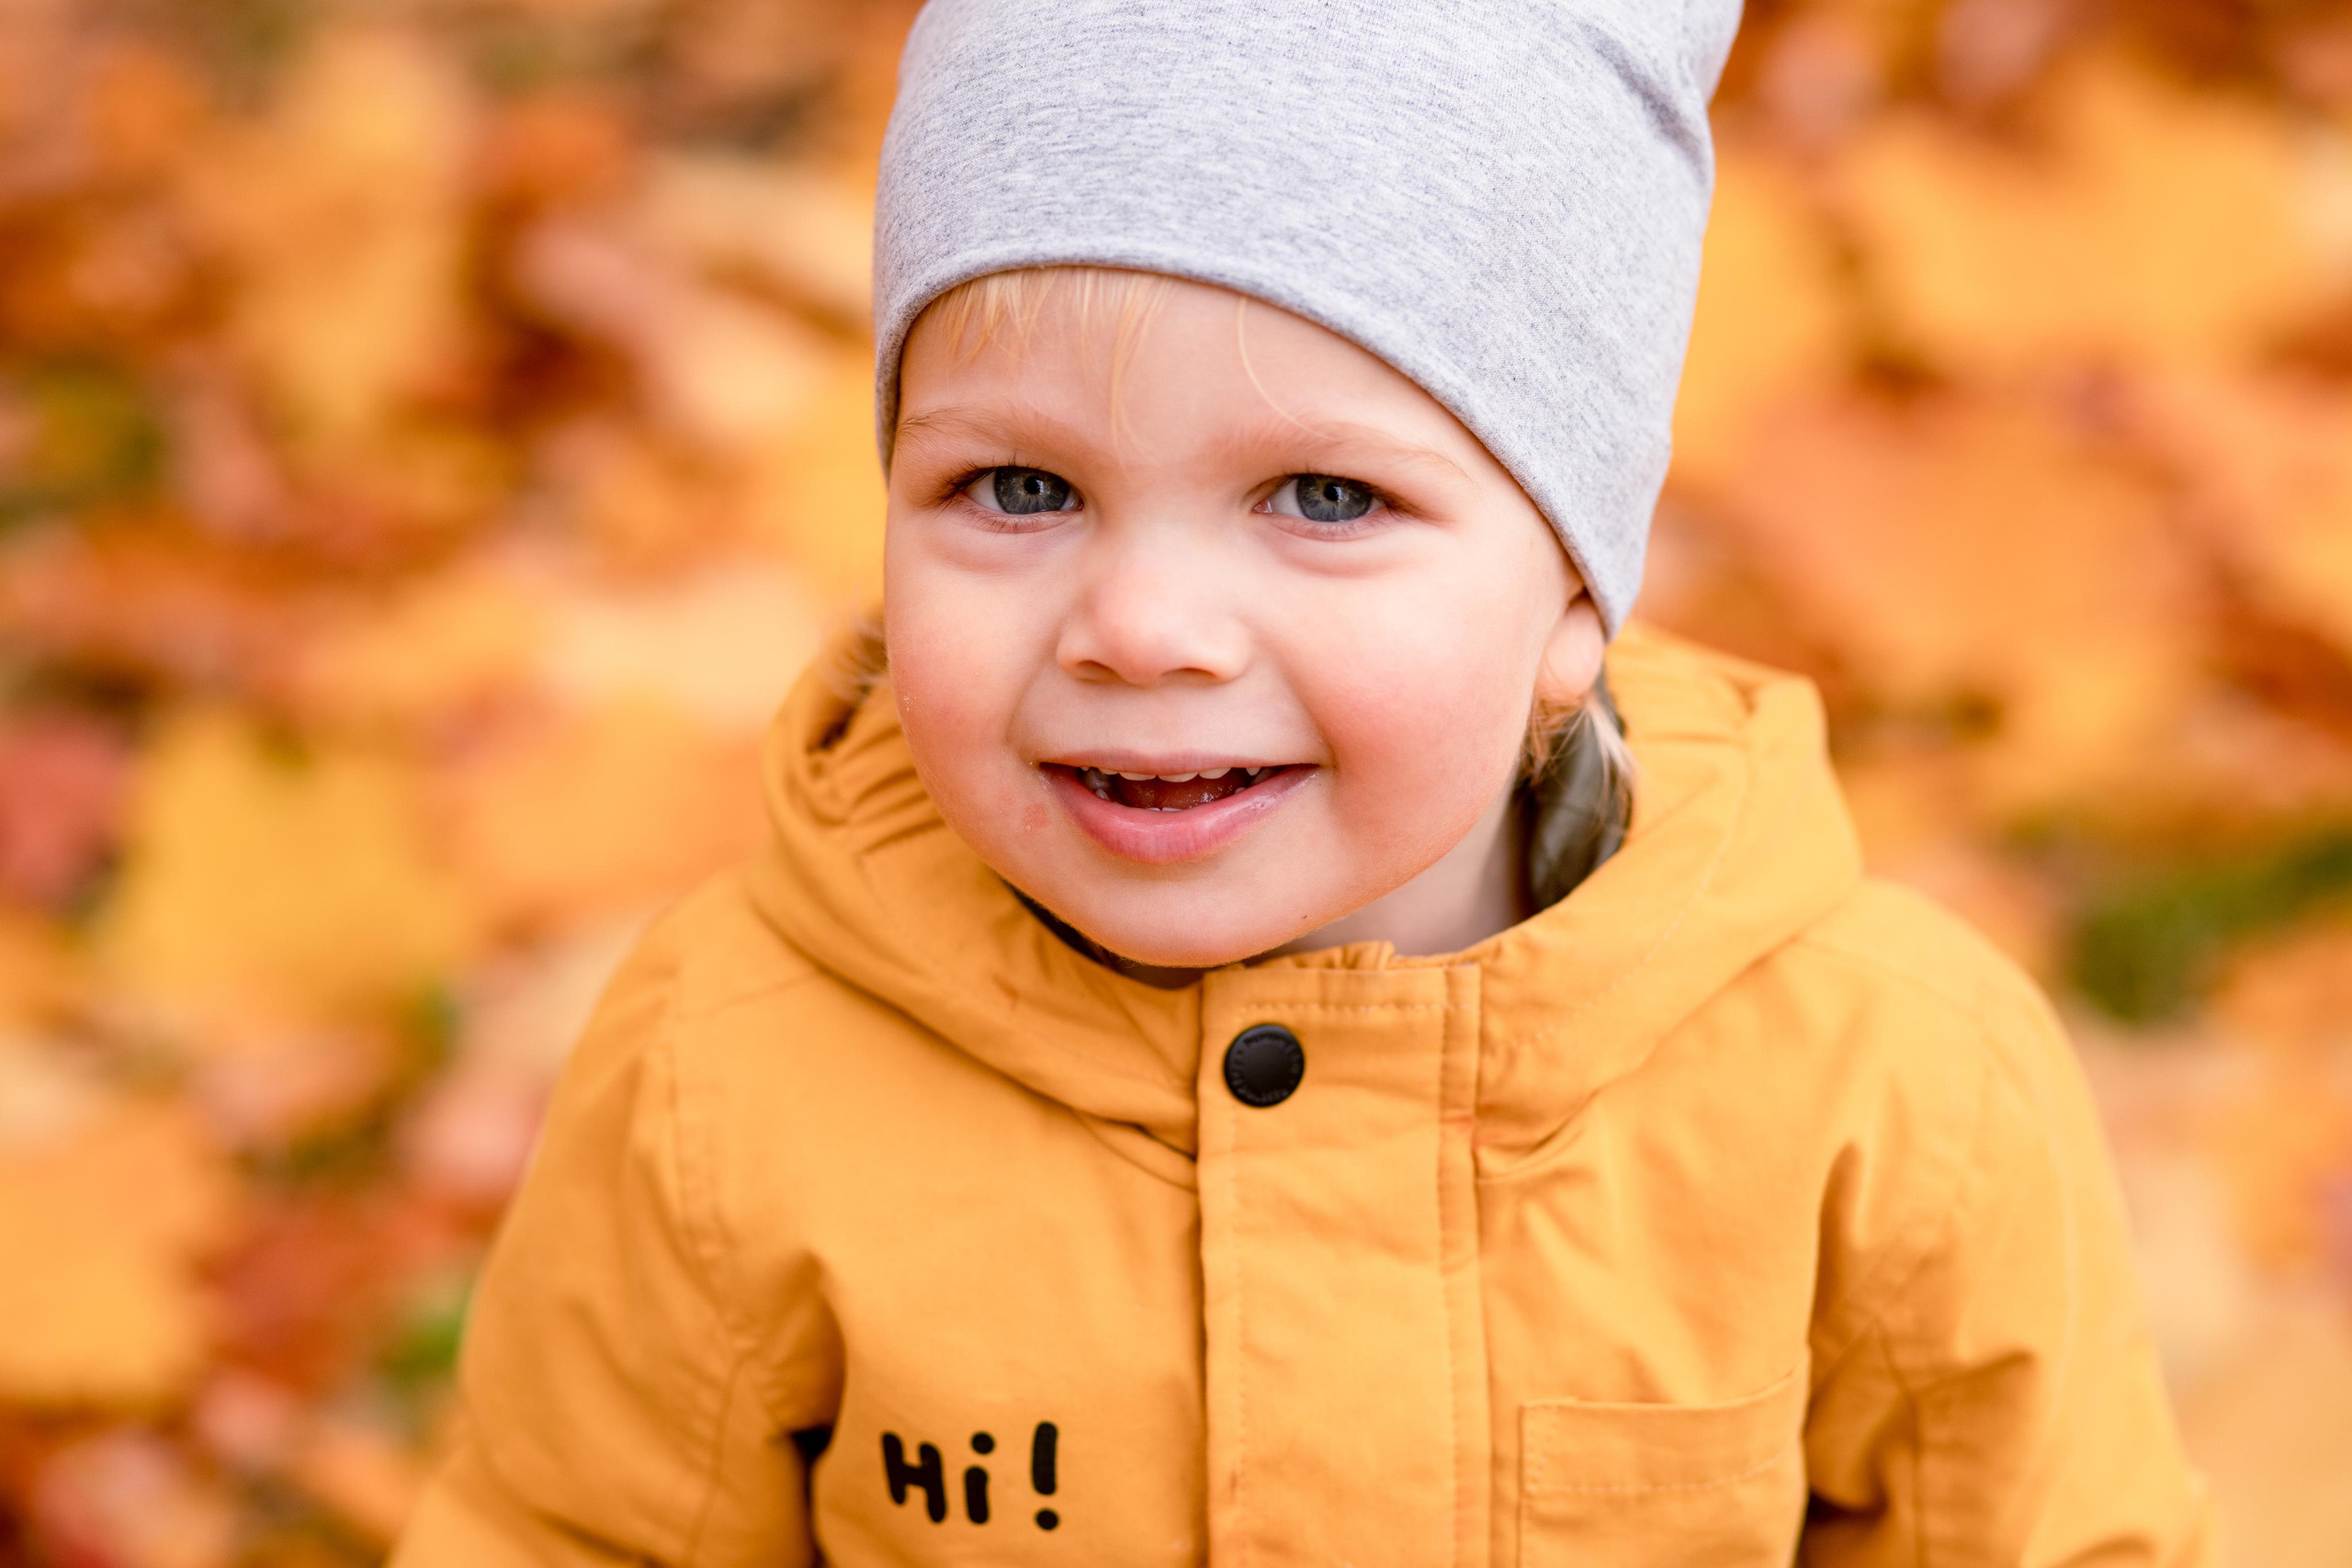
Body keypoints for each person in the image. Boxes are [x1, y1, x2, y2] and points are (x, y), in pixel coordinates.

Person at [391, 1, 2211, 1562]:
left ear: (1573, 594)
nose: (1140, 627)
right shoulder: (731, 1067)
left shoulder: (1886, 1088)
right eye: (1018, 489)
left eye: (1323, 498)